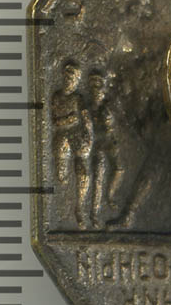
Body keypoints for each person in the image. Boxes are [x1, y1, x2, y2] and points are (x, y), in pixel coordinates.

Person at [51, 61, 92, 229]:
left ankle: (79, 207)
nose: (71, 81)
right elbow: (55, 121)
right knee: (61, 176)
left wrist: (89, 136)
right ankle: (62, 208)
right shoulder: (57, 97)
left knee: (82, 171)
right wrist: (69, 119)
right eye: (68, 77)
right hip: (62, 136)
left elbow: (86, 120)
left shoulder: (78, 99)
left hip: (76, 135)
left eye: (74, 78)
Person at [88, 70, 124, 228]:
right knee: (98, 176)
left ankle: (110, 196)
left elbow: (114, 124)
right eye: (95, 88)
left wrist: (110, 120)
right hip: (97, 144)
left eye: (100, 87)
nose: (98, 91)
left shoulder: (107, 106)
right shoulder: (89, 108)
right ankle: (94, 212)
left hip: (109, 142)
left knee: (119, 169)